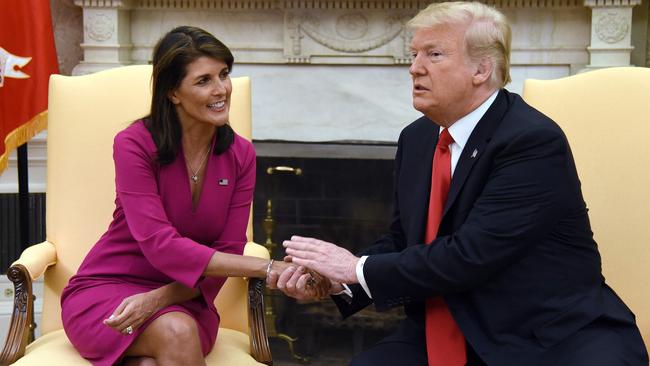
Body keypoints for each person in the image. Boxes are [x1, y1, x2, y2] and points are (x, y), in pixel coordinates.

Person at [275, 3, 649, 366]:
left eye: (433, 54)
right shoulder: (418, 138)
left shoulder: (531, 141)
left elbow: (470, 255)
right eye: (414, 53)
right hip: (448, 327)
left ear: (481, 69)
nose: (414, 68)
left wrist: (354, 268)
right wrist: (339, 282)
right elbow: (405, 238)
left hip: (547, 335)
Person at [60, 26, 324, 366]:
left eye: (224, 75)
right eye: (204, 81)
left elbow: (227, 252)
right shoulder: (134, 144)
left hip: (188, 298)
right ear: (172, 92)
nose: (221, 90)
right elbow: (160, 244)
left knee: (169, 338)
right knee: (174, 334)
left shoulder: (241, 154)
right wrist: (268, 268)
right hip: (108, 291)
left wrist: (157, 299)